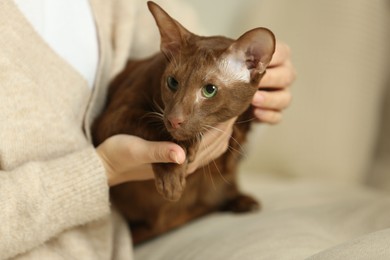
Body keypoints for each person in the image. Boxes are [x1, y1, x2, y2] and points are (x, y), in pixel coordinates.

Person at [0, 0, 295, 259]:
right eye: (173, 84)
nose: (176, 115)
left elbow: (206, 56)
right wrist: (105, 169)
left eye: (207, 89)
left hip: (179, 212)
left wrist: (265, 99)